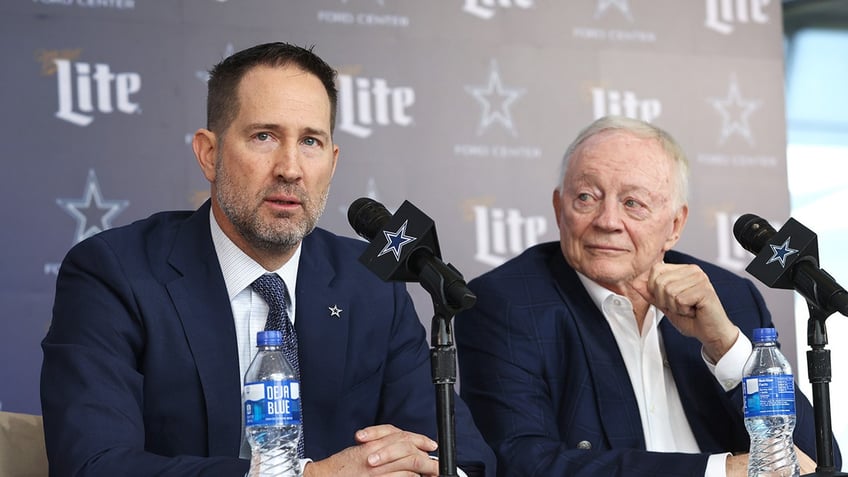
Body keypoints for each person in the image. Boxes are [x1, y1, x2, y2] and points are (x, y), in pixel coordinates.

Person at [41, 42, 495, 477]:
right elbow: (91, 465)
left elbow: (463, 457)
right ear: (209, 153)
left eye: (311, 142)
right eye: (264, 136)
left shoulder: (371, 284)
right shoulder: (115, 273)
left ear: (333, 162)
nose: (291, 168)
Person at [454, 115, 840, 476]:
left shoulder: (731, 297)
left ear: (675, 225)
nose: (607, 221)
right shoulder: (506, 303)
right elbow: (522, 462)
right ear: (559, 208)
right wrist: (717, 471)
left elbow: (815, 459)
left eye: (632, 203)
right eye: (586, 197)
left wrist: (725, 344)